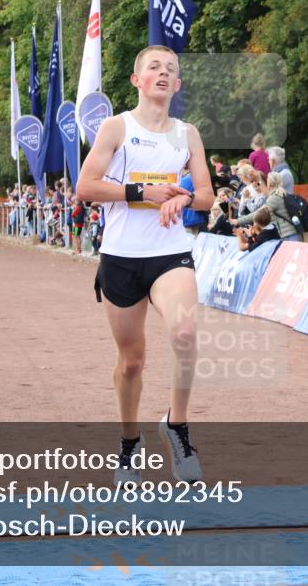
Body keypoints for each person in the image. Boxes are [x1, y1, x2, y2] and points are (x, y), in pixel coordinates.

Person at [76, 45, 213, 485]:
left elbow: (208, 196)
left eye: (170, 69)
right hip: (120, 257)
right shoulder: (116, 127)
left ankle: (178, 427)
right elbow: (85, 186)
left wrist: (187, 198)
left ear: (177, 85)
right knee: (132, 362)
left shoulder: (187, 134)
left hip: (170, 253)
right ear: (137, 80)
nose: (162, 73)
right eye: (153, 67)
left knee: (185, 332)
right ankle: (129, 444)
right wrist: (141, 194)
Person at [234, 171, 302, 241]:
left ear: (270, 183)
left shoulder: (274, 197)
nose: (256, 184)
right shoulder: (281, 193)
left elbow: (257, 212)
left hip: (288, 234)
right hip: (291, 232)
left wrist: (238, 221)